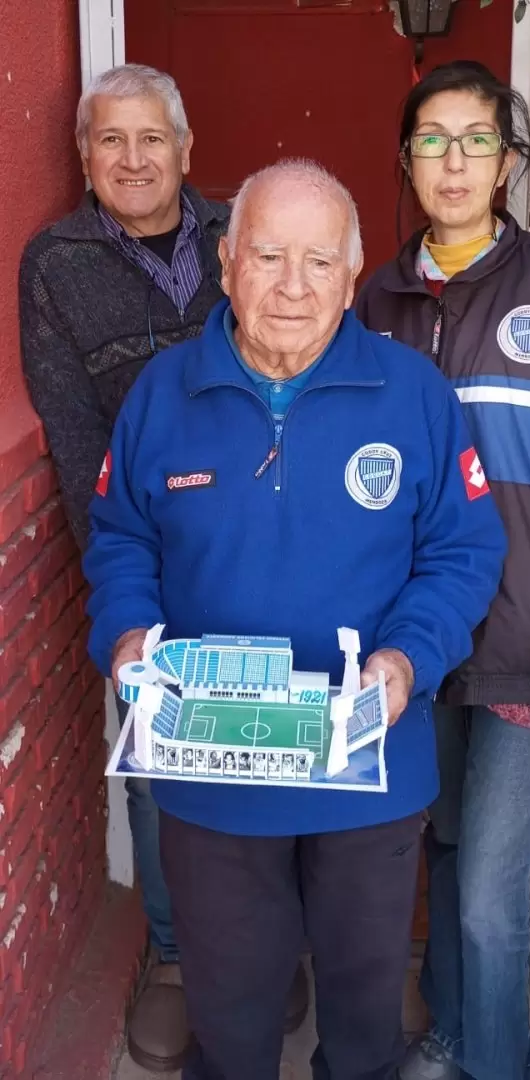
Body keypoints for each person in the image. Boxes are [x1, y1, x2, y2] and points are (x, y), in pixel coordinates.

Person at [83, 158, 506, 1080]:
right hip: (213, 761)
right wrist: (125, 638)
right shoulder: (163, 392)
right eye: (268, 256)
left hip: (370, 759)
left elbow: (461, 553)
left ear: (352, 276)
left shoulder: (413, 394)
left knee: (363, 1000)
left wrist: (405, 660)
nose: (291, 286)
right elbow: (120, 541)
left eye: (320, 262)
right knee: (230, 998)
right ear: (227, 262)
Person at [19, 62, 307, 1072]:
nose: (134, 160)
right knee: (158, 764)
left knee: (278, 741)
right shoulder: (55, 262)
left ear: (186, 150)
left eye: (153, 139)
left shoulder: (244, 228)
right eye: (111, 141)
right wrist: (119, 578)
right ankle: (185, 957)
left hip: (270, 547)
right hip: (148, 553)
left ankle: (272, 948)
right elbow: (67, 431)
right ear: (84, 156)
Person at [356, 61, 530, 1080]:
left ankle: (501, 1066)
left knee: (493, 892)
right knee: (444, 859)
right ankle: (457, 1038)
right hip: (422, 636)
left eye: (477, 139)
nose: (454, 161)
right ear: (406, 161)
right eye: (433, 140)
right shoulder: (379, 298)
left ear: (511, 161)